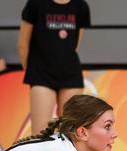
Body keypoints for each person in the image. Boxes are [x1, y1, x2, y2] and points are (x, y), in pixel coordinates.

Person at [17, 0, 90, 136]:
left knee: (71, 134)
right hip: (41, 75)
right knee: (40, 136)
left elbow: (74, 44)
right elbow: (22, 44)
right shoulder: (35, 4)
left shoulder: (80, 6)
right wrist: (34, 72)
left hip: (70, 74)